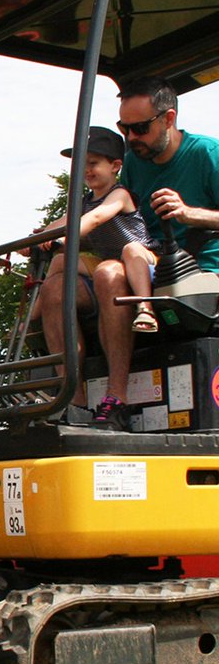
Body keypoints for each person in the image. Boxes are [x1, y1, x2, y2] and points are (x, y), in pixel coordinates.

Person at [81, 77, 219, 429]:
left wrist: (190, 214)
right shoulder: (135, 163)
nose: (131, 138)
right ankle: (87, 400)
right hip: (149, 261)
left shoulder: (207, 154)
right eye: (124, 128)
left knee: (114, 270)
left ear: (169, 118)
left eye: (140, 128)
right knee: (75, 280)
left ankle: (115, 394)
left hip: (201, 269)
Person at [35, 126, 158, 428]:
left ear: (115, 166)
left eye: (93, 163)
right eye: (82, 165)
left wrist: (65, 237)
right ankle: (72, 399)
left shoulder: (119, 194)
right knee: (57, 282)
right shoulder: (83, 201)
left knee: (107, 270)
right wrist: (31, 242)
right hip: (106, 264)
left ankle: (117, 395)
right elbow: (61, 222)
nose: (86, 170)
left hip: (137, 263)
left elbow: (97, 218)